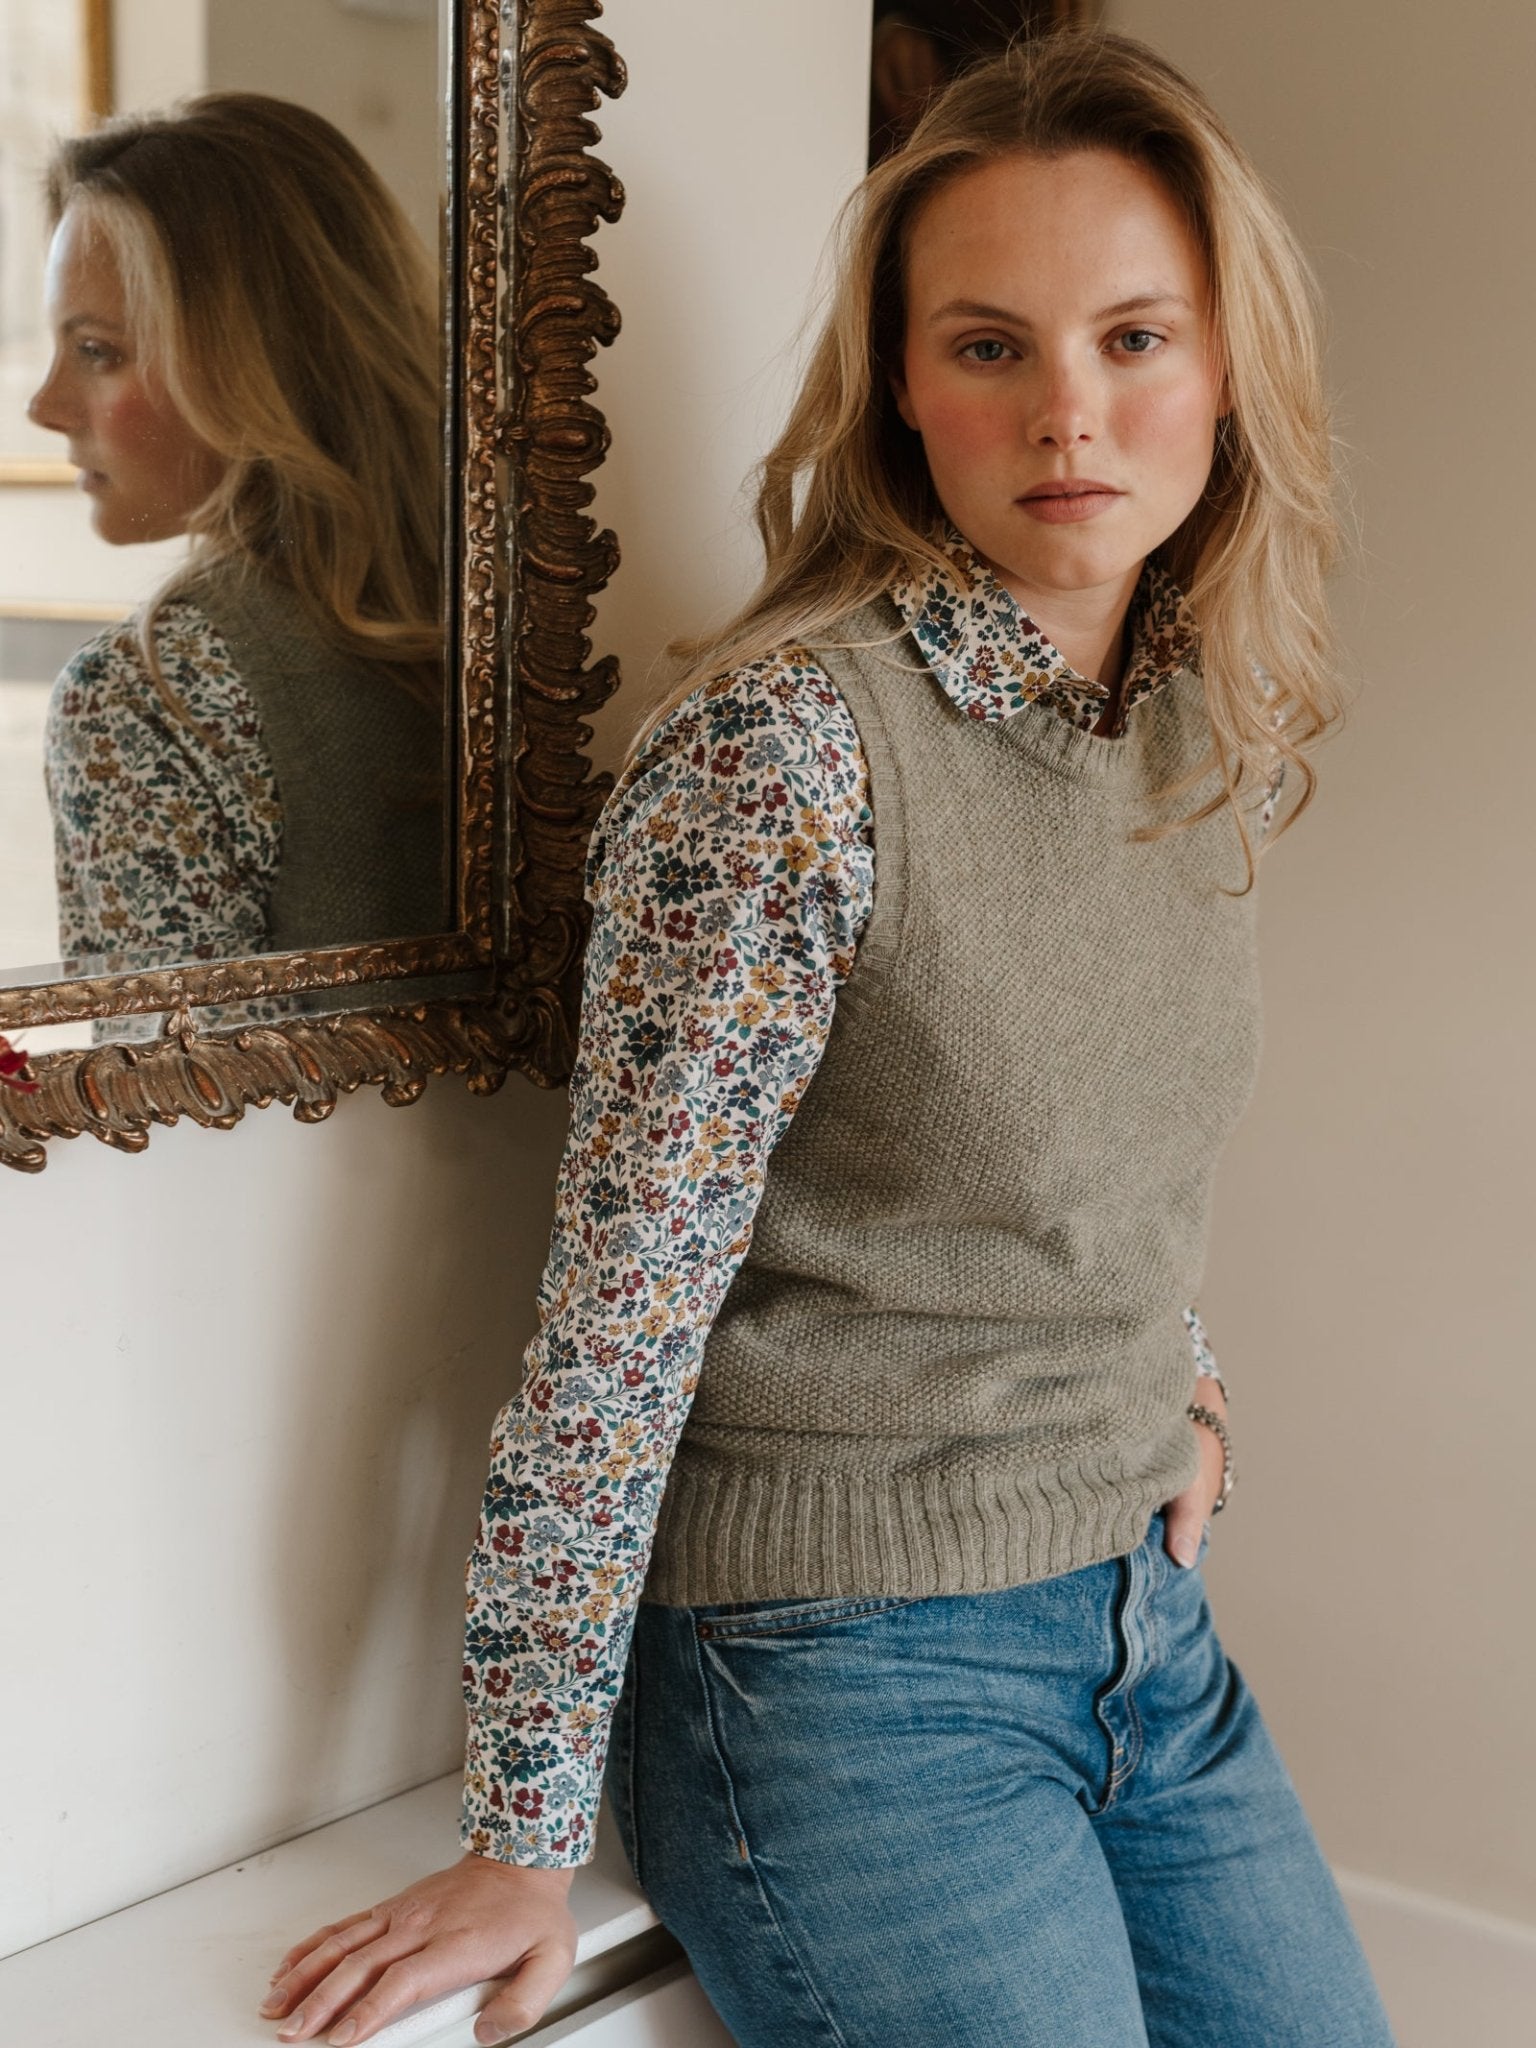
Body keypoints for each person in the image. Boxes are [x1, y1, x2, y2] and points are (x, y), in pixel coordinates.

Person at [261, 31, 1398, 2048]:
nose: (1071, 407)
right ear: (903, 388)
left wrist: (1183, 1391)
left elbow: (1104, 1147)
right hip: (839, 1666)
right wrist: (522, 1825)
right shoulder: (786, 755)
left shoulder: (1186, 715)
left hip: (1140, 1618)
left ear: (1229, 368)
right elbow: (618, 1329)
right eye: (989, 346)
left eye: (1137, 335)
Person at [30, 94, 447, 975]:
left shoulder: (146, 698)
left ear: (255, 360)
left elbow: (161, 1102)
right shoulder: (534, 601)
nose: (45, 406)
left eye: (97, 351)